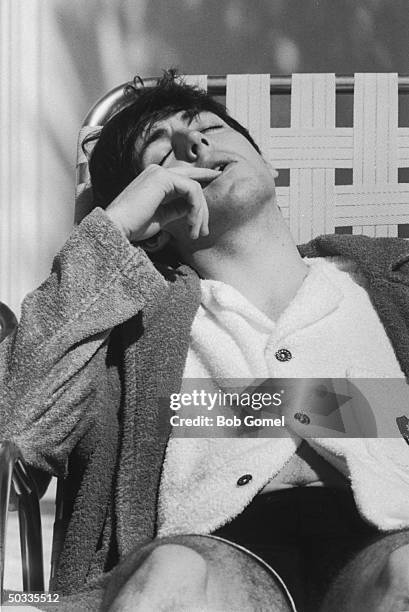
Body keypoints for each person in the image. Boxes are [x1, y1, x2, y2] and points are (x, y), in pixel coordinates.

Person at [1, 70, 409, 612]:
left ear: (267, 163)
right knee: (172, 578)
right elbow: (19, 427)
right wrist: (111, 236)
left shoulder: (390, 286)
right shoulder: (125, 328)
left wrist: (248, 407)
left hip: (389, 543)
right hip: (208, 559)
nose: (195, 143)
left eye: (210, 127)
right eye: (163, 153)